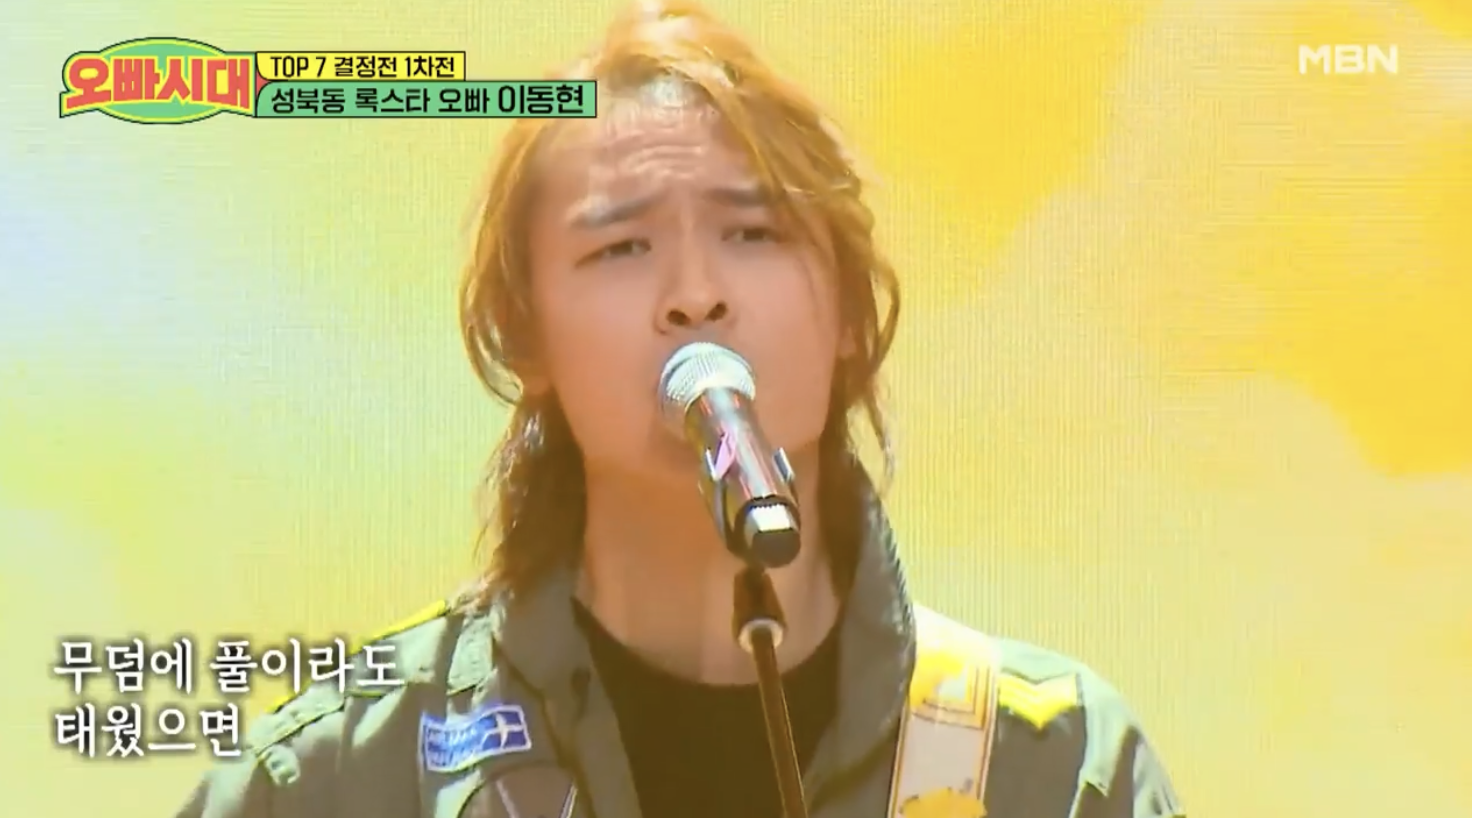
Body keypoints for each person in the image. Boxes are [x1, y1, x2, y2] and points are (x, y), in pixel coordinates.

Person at [174, 2, 1185, 817]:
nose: (695, 295)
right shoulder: (349, 771)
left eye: (754, 234)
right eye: (621, 247)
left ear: (846, 311)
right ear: (524, 337)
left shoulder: (1053, 767)